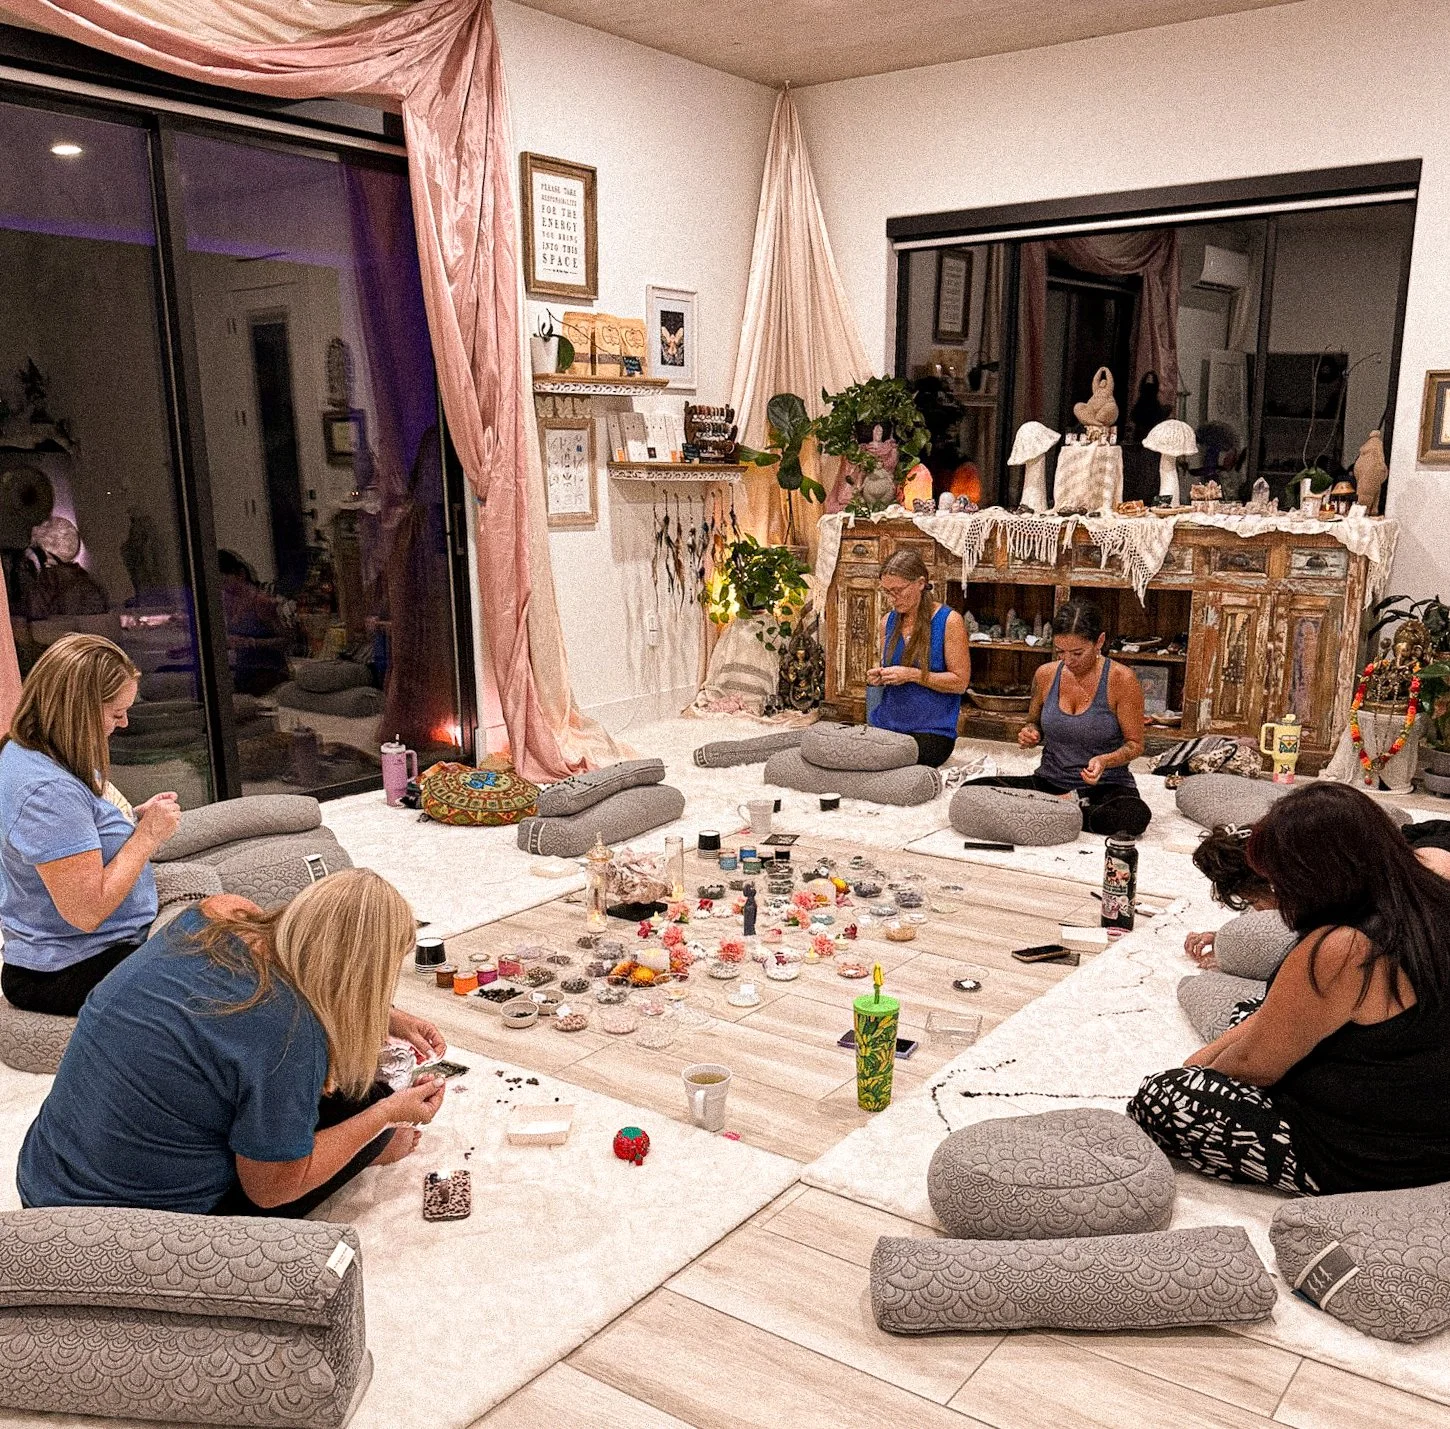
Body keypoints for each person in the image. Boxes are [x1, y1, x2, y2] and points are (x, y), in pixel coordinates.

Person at [18, 868, 446, 1218]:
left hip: (45, 1177)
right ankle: (375, 1143)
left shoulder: (212, 916)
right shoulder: (290, 1031)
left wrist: (388, 1016)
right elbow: (271, 1191)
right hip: (136, 1228)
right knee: (364, 1103)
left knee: (310, 1093)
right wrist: (384, 1118)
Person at [1128, 783, 1450, 1196]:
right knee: (1257, 1013)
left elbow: (1252, 1066)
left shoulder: (1343, 948)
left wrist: (1192, 1074)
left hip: (1379, 1157)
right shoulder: (1428, 891)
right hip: (1421, 1111)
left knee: (1163, 1098)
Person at [0, 633, 182, 1016]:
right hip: (70, 967)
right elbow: (86, 912)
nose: (125, 723)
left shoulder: (31, 750)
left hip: (85, 947)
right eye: (116, 714)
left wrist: (130, 819)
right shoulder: (46, 790)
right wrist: (146, 836)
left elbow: (72, 837)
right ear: (78, 709)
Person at [964, 600, 1151, 835]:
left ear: (1100, 642)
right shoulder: (1046, 674)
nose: (1067, 660)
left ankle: (1048, 811)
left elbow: (1135, 745)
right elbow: (1034, 722)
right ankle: (1060, 810)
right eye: (1060, 651)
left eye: (1077, 653)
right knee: (972, 791)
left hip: (1101, 789)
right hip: (1049, 783)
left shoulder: (1122, 680)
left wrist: (1105, 761)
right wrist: (1030, 733)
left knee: (1133, 815)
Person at [865, 549, 970, 767]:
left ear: (920, 583)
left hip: (931, 731)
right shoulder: (888, 622)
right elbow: (889, 676)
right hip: (888, 723)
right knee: (849, 753)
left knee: (890, 762)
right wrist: (879, 677)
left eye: (898, 590)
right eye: (887, 592)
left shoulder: (949, 621)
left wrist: (912, 675)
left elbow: (960, 683)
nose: (892, 598)